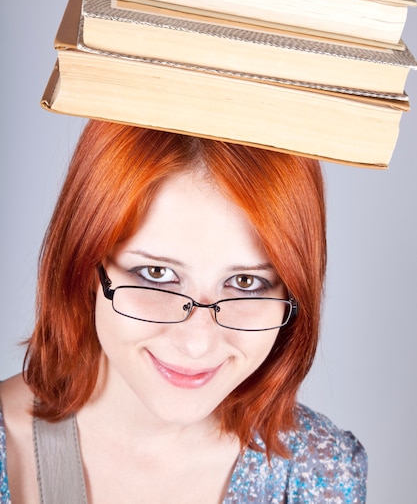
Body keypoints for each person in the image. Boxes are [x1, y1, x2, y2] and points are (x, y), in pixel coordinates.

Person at [0, 120, 367, 503]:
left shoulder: (320, 471)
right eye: (156, 275)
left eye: (245, 283)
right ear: (86, 263)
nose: (197, 343)